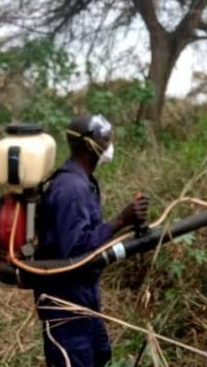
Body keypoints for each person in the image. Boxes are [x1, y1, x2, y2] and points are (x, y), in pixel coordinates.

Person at [34, 114, 149, 367]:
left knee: (100, 356)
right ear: (88, 144)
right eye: (105, 138)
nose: (110, 144)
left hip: (84, 296)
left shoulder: (83, 182)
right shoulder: (70, 189)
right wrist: (121, 220)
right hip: (65, 303)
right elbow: (74, 251)